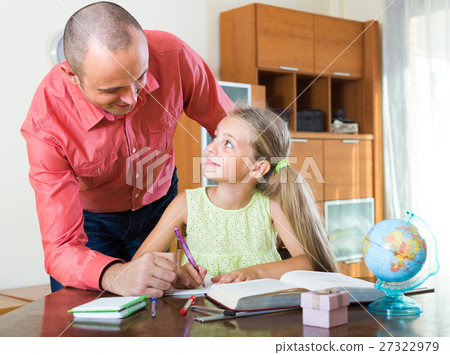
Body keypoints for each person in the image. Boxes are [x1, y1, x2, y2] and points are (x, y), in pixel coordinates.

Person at [21, 2, 233, 296]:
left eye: (140, 79)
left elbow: (236, 128)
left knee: (162, 316)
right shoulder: (46, 124)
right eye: (112, 91)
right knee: (85, 327)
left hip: (161, 205)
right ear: (72, 76)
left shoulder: (174, 56)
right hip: (90, 224)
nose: (131, 99)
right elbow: (60, 248)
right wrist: (115, 275)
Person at [133, 105, 338, 288]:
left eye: (228, 144)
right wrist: (176, 274)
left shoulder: (270, 206)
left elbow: (309, 263)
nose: (211, 148)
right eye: (215, 138)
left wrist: (254, 273)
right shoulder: (186, 204)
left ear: (257, 168)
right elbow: (138, 263)